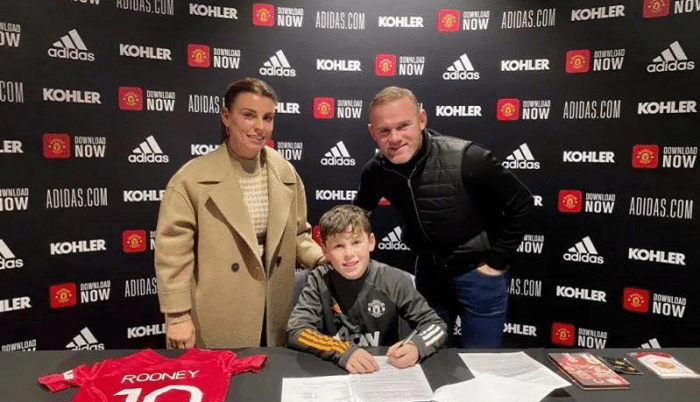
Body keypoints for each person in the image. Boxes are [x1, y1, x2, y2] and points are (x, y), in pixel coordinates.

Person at [354, 86, 533, 349]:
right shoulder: (375, 171)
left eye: (403, 126)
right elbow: (357, 214)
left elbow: (522, 203)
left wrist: (496, 262)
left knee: (481, 364)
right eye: (384, 131)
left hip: (478, 276)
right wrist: (337, 247)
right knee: (430, 360)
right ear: (373, 133)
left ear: (422, 119)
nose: (395, 138)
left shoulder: (467, 157)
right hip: (429, 277)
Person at [155, 77, 324, 349]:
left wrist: (320, 259)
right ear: (226, 117)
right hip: (218, 313)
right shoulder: (191, 179)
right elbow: (173, 254)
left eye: (267, 118)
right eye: (248, 115)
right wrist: (177, 316)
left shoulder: (285, 173)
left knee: (271, 372)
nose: (260, 127)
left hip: (275, 313)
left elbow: (298, 236)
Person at [287, 204, 447, 374]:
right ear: (325, 251)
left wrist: (417, 346)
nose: (349, 254)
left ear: (371, 242)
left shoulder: (394, 279)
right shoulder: (318, 280)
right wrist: (342, 350)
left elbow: (436, 325)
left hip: (383, 371)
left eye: (356, 242)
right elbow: (297, 331)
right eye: (338, 246)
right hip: (335, 371)